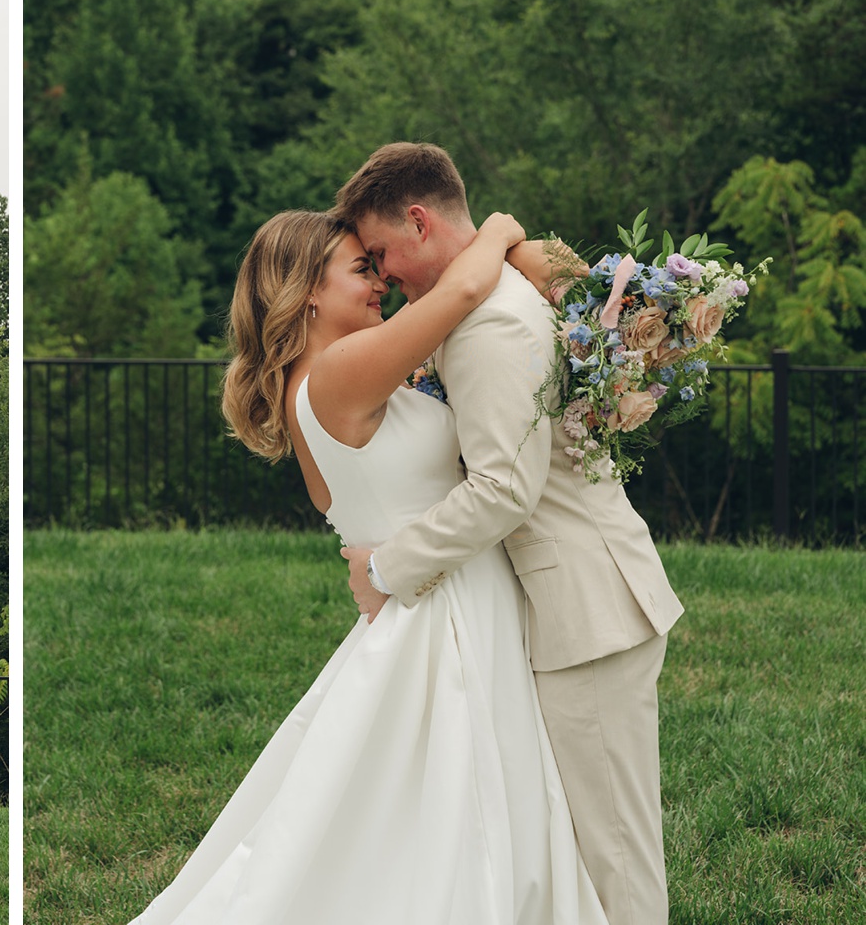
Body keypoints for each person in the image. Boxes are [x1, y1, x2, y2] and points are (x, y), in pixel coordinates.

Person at [128, 206, 607, 924]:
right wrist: (502, 231)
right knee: (453, 812)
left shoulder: (336, 375)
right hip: (444, 612)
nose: (381, 281)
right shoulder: (342, 371)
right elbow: (461, 294)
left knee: (416, 818)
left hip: (433, 596)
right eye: (362, 268)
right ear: (308, 291)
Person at [335, 143, 682, 925]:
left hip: (588, 611)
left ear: (419, 221)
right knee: (592, 852)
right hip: (579, 601)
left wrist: (386, 568)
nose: (383, 274)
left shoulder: (489, 322)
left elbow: (503, 491)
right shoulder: (495, 291)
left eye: (383, 252)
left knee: (614, 862)